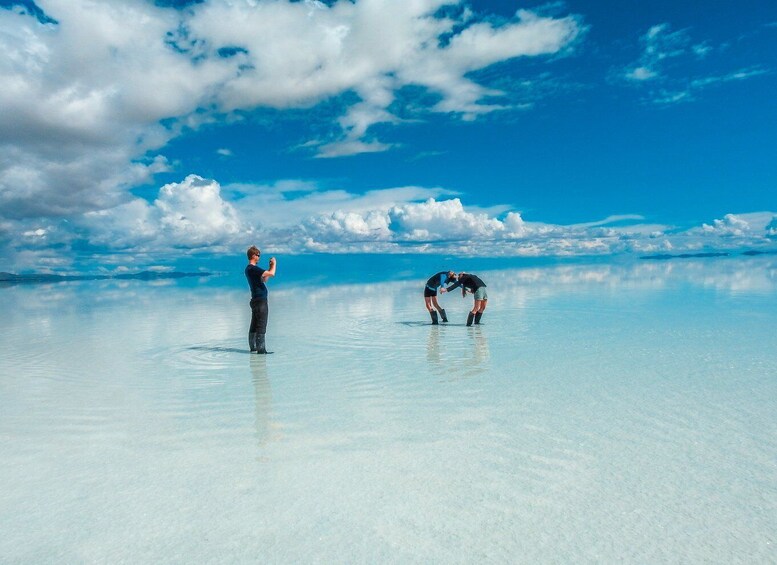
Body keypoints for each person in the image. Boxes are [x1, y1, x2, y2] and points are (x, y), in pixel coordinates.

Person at [245, 246, 276, 354]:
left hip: (255, 300)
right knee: (261, 325)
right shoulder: (252, 268)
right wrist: (275, 263)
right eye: (258, 255)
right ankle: (261, 351)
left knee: (254, 324)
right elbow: (272, 274)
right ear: (253, 255)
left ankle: (253, 348)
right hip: (260, 301)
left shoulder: (250, 269)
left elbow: (264, 279)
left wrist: (270, 266)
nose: (259, 257)